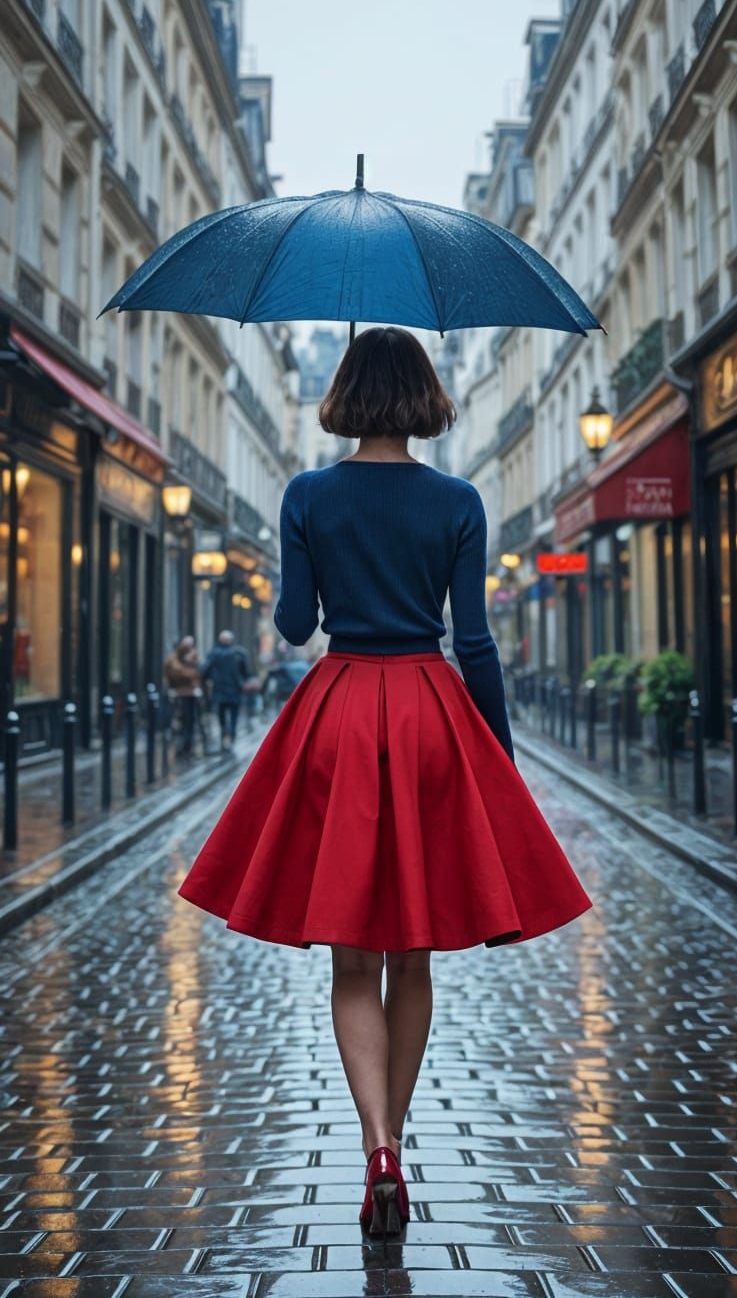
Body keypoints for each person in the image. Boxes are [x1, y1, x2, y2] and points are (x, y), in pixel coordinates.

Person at [178, 326, 593, 1235]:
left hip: (338, 710)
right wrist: (500, 757)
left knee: (350, 956)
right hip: (430, 713)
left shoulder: (307, 494)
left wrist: (319, 568)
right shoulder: (459, 500)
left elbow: (292, 627)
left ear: (345, 396)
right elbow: (475, 641)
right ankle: (397, 1143)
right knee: (416, 953)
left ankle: (372, 1145)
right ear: (425, 399)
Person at [202, 630, 247, 750]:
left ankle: (224, 735)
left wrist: (209, 678)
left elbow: (205, 670)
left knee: (221, 715)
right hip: (234, 690)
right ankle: (231, 735)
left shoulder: (214, 653)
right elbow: (245, 672)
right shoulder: (238, 653)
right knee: (234, 715)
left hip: (220, 689)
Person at [163, 636, 201, 755]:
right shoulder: (174, 660)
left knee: (189, 719)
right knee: (182, 719)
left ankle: (187, 744)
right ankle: (183, 744)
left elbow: (198, 673)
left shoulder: (193, 658)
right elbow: (174, 672)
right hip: (180, 693)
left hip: (190, 693)